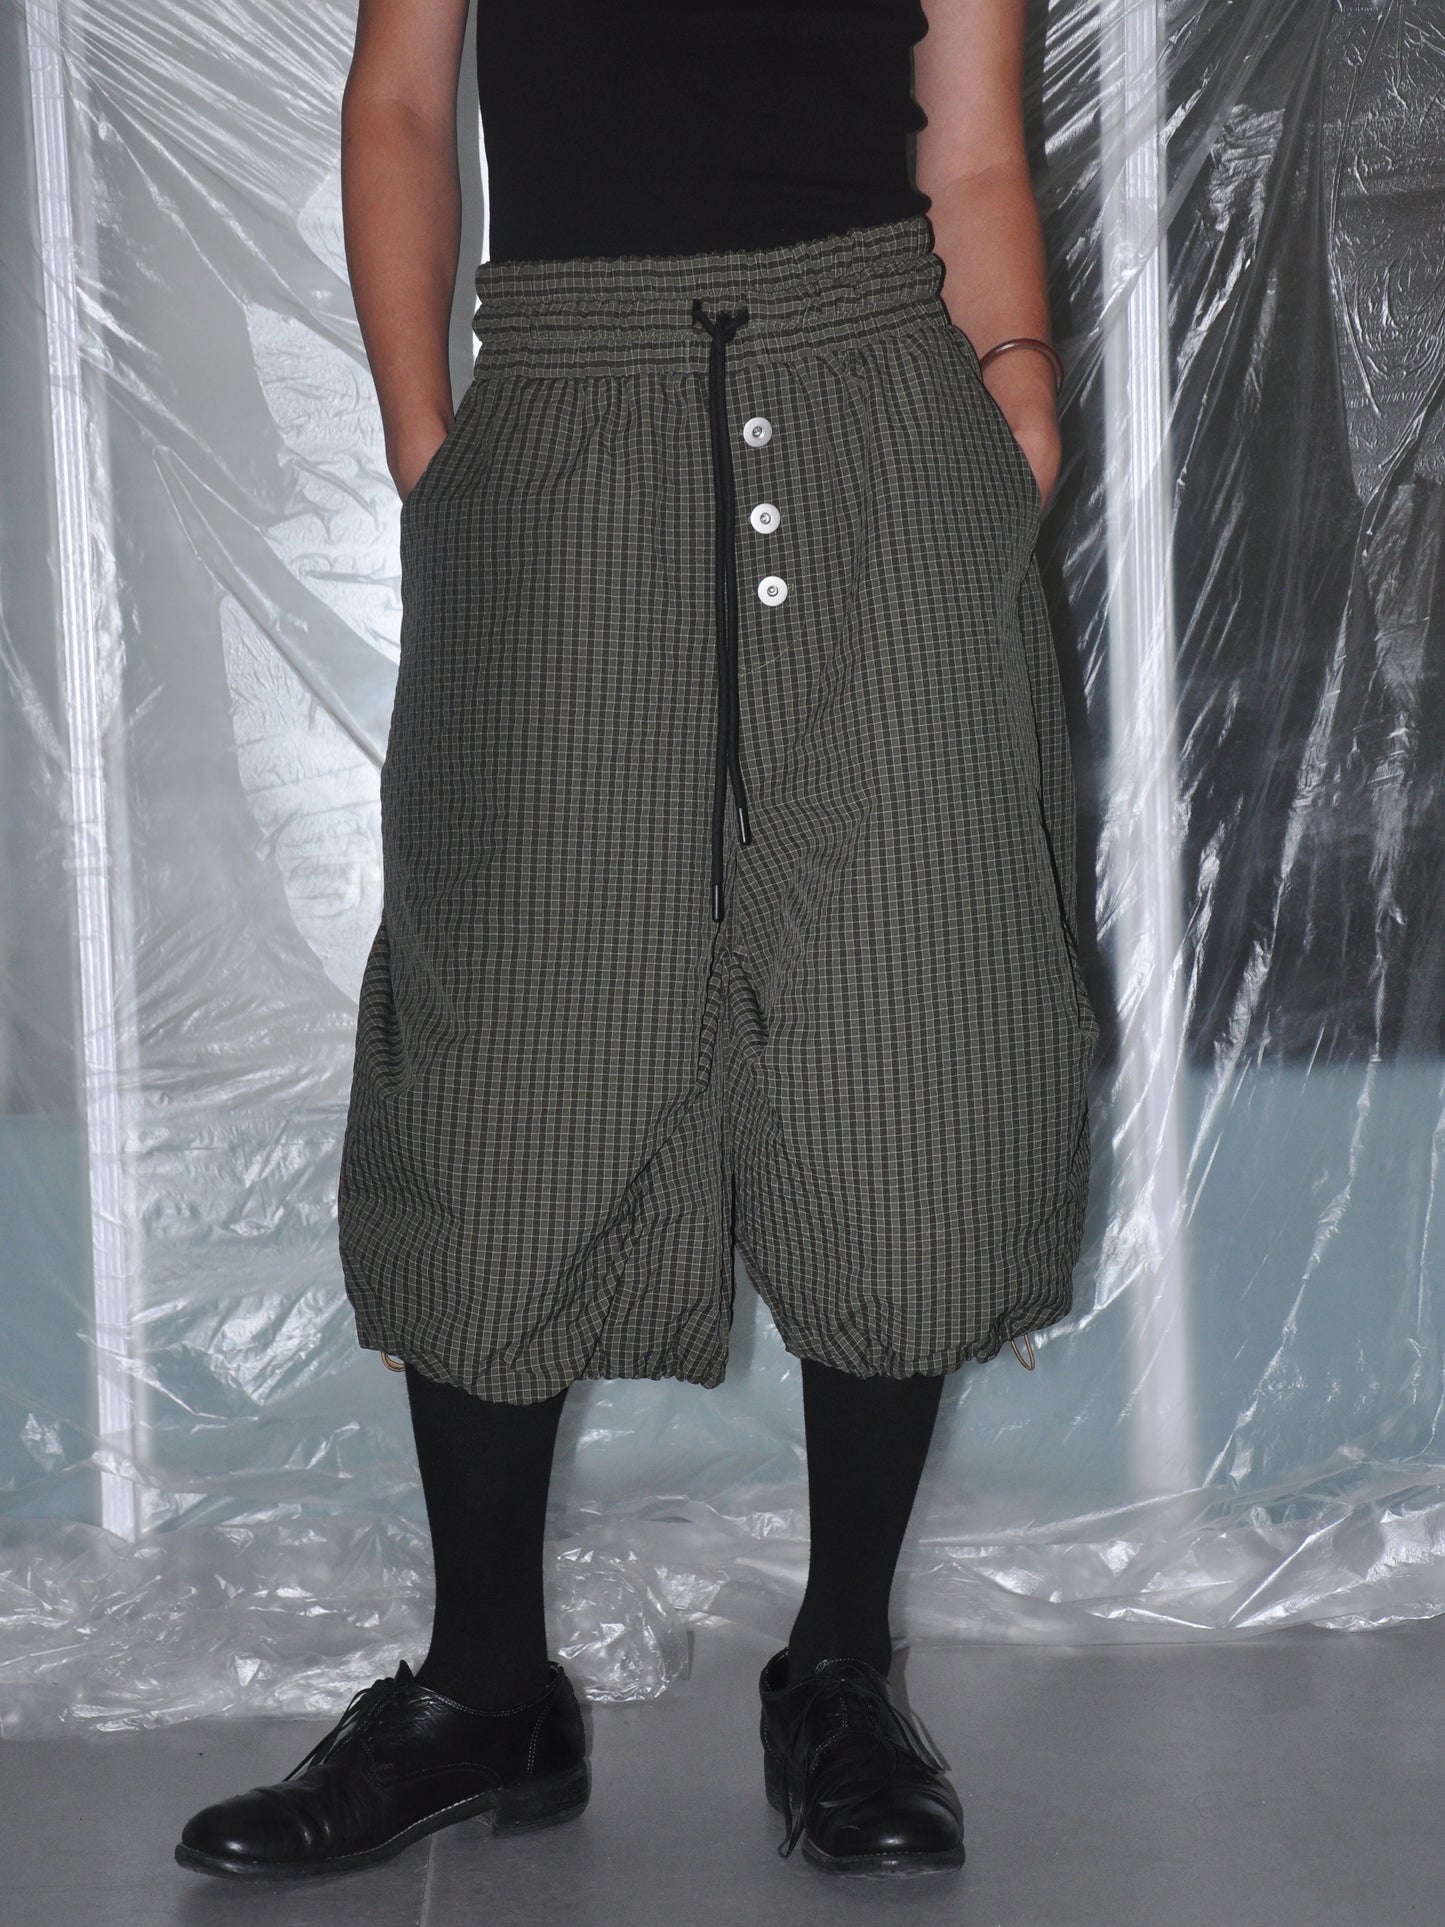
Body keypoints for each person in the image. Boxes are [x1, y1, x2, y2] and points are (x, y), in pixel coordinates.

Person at [175, 0, 1099, 1884]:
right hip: (563, 410)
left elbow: (974, 137)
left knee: (907, 1022)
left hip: (885, 402)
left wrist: (1016, 410)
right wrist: (429, 440)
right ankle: (483, 1692)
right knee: (515, 1048)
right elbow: (401, 102)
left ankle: (841, 1672)